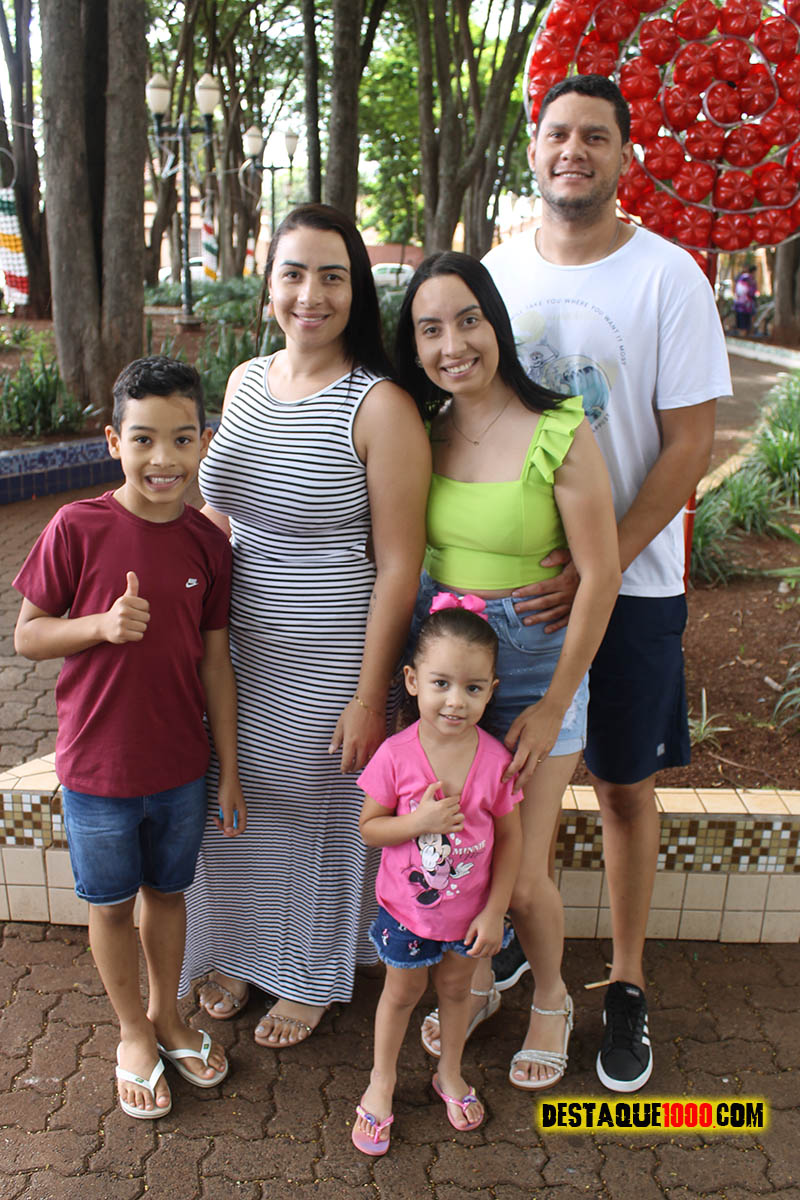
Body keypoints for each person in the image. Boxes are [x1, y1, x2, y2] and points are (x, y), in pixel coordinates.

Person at [483, 74, 732, 1092]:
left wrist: (602, 561)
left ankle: (625, 981)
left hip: (630, 585)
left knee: (624, 785)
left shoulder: (669, 277)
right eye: (556, 133)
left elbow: (688, 447)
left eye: (594, 135)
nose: (572, 149)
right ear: (532, 150)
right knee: (506, 780)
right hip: (513, 587)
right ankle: (508, 938)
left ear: (625, 155)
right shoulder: (495, 274)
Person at [180, 204, 431, 1046]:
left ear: (356, 292)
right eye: (293, 273)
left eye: (332, 276)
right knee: (235, 801)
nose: (310, 294)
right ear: (269, 285)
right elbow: (220, 509)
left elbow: (399, 565)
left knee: (317, 811)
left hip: (331, 656)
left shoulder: (380, 405)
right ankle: (241, 952)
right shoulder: (246, 381)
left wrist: (369, 695)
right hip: (237, 645)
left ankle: (309, 975)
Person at [394, 251, 621, 1091]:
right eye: (430, 330)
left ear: (495, 322)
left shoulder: (559, 426)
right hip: (444, 669)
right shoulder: (420, 430)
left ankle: (552, 998)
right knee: (461, 847)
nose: (452, 344)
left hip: (532, 671)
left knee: (522, 876)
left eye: (468, 321)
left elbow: (600, 574)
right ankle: (483, 981)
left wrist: (555, 702)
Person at [12, 357, 243, 1119]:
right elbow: (28, 636)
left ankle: (168, 1016)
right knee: (111, 905)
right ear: (114, 441)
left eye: (181, 438)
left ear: (203, 441)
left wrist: (228, 769)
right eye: (143, 439)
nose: (163, 458)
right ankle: (133, 1033)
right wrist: (100, 626)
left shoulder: (209, 544)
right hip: (98, 769)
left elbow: (215, 661)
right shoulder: (76, 526)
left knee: (168, 894)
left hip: (181, 767)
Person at [352, 599, 522, 1154]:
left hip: (469, 917)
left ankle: (449, 1072)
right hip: (406, 913)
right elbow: (370, 829)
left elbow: (511, 839)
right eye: (441, 683)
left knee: (455, 991)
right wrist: (418, 823)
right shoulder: (394, 756)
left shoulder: (495, 762)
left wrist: (495, 911)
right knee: (402, 992)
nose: (455, 700)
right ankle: (381, 1082)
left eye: (473, 688)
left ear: (491, 690)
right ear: (412, 680)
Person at [733, 265, 757, 336]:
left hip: (740, 304)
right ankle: (744, 334)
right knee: (745, 323)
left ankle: (742, 334)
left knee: (741, 322)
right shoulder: (749, 279)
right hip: (746, 305)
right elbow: (751, 292)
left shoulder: (741, 277)